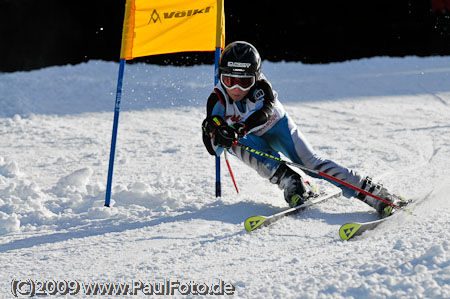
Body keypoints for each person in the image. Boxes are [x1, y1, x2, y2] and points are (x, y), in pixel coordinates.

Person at [201, 41, 409, 217]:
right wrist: (213, 132)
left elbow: (264, 112)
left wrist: (239, 127)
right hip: (251, 137)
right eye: (229, 80)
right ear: (221, 76)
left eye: (244, 82)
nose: (236, 89)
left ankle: (373, 193)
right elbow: (213, 147)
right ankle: (291, 182)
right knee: (230, 141)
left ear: (256, 78)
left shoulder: (262, 88)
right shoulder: (217, 98)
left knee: (311, 163)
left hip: (277, 127)